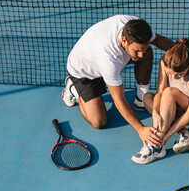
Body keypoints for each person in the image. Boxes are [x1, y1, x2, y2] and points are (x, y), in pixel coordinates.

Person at [61, 15, 174, 148]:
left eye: (141, 49)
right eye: (136, 50)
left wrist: (181, 51)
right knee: (99, 122)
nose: (141, 54)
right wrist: (140, 129)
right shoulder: (109, 57)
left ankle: (141, 97)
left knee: (147, 52)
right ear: (124, 40)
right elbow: (119, 99)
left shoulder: (135, 28)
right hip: (84, 73)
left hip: (102, 61)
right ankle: (74, 89)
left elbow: (159, 40)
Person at [131, 38, 189, 164]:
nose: (174, 77)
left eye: (179, 74)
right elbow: (159, 92)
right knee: (147, 98)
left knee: (169, 91)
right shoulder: (165, 61)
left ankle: (156, 146)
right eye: (171, 73)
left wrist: (165, 137)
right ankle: (185, 134)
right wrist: (155, 112)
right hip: (180, 103)